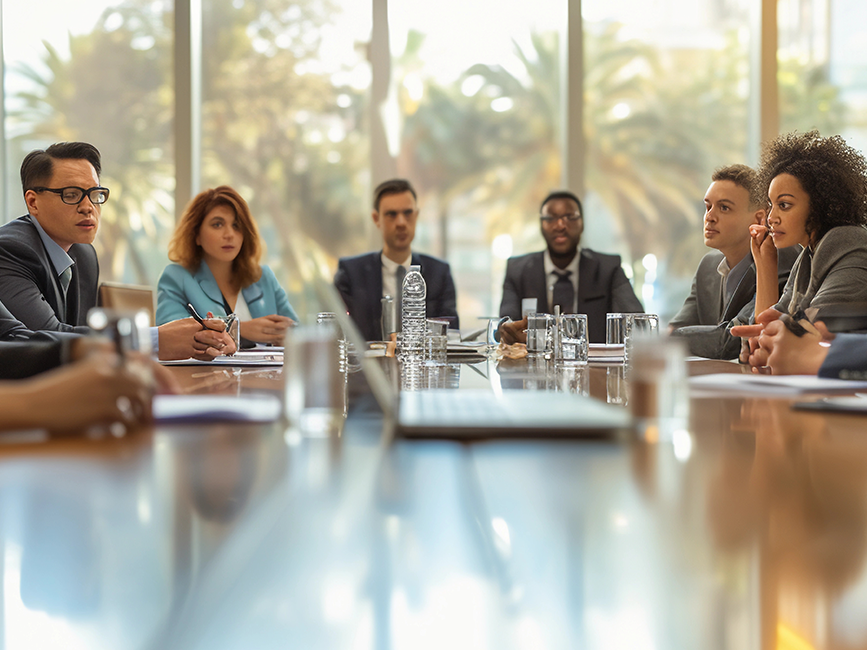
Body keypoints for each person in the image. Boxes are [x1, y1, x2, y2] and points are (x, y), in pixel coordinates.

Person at [0, 142, 233, 360]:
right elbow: (44, 337)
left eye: (95, 194)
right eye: (71, 195)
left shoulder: (84, 254)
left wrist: (197, 341)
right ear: (33, 202)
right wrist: (154, 340)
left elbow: (82, 342)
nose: (88, 207)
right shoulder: (10, 249)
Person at [732, 130, 867, 367]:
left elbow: (812, 329)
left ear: (822, 205)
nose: (771, 217)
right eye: (771, 205)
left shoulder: (847, 241)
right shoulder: (806, 255)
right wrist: (765, 262)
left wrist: (777, 333)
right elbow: (771, 325)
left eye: (784, 205)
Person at [669, 165, 798, 359]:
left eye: (724, 208)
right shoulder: (708, 267)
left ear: (760, 219)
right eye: (708, 206)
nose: (709, 217)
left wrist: (670, 339)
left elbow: (732, 340)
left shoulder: (781, 258)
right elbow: (677, 327)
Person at [156, 186, 298, 346]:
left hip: (270, 371)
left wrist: (288, 336)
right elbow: (170, 338)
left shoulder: (264, 277)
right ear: (196, 235)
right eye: (217, 224)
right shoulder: (176, 277)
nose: (229, 234)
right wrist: (239, 329)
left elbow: (298, 332)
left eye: (237, 226)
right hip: (204, 372)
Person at [498, 190, 643, 344]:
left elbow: (637, 324)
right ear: (541, 225)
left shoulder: (607, 269)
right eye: (550, 218)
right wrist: (507, 331)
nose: (560, 225)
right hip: (534, 366)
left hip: (594, 366)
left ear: (582, 224)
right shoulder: (518, 270)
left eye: (570, 217)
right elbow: (505, 324)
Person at [334, 178, 459, 341]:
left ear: (416, 215)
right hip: (368, 365)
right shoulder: (351, 273)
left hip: (422, 364)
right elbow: (336, 333)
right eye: (391, 214)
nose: (401, 222)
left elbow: (451, 334)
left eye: (407, 213)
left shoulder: (439, 272)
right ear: (376, 219)